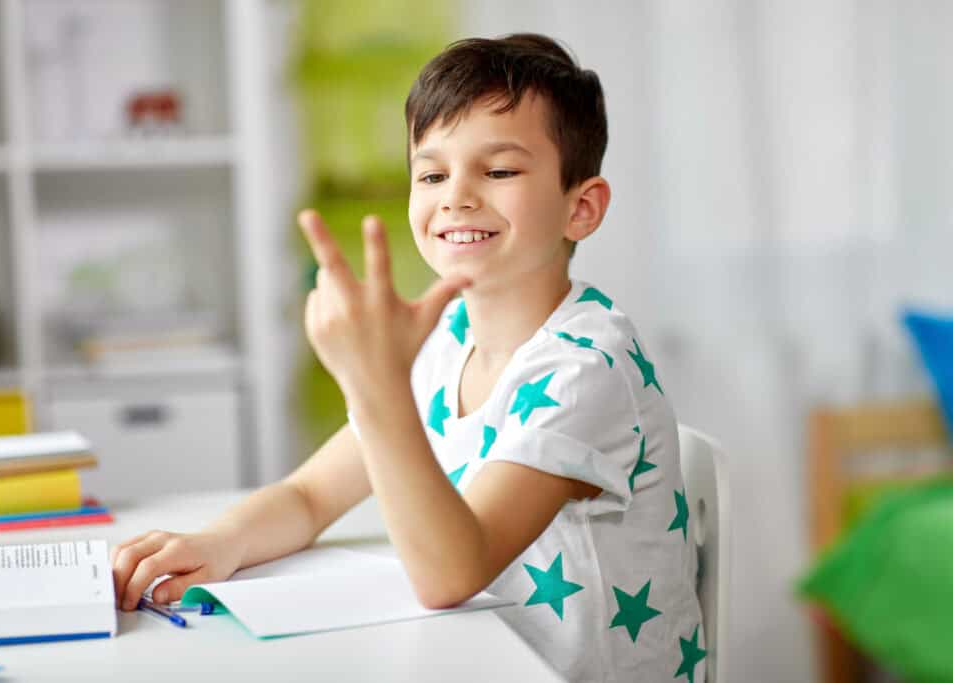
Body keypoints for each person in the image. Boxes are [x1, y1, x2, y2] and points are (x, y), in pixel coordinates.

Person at [111, 33, 704, 682]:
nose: (457, 195)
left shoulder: (589, 366)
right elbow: (311, 495)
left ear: (581, 207)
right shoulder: (448, 336)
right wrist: (214, 543)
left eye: (499, 170)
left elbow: (452, 571)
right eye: (432, 173)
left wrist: (375, 380)